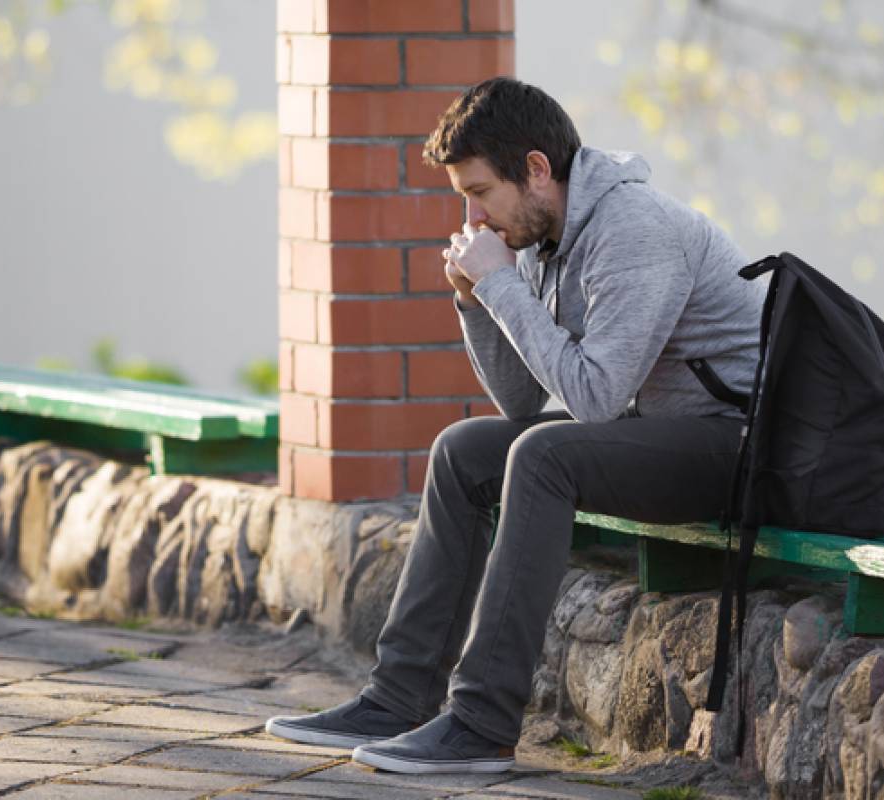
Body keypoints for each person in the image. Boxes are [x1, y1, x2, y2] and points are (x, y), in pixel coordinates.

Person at [265, 77, 769, 775]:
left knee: (543, 457)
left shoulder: (635, 229)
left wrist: (502, 286)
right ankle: (398, 695)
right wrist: (476, 302)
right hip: (658, 433)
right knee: (466, 448)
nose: (473, 219)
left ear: (536, 170)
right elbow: (522, 401)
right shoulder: (541, 237)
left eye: (479, 193)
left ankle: (480, 722)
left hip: (734, 446)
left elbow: (592, 399)